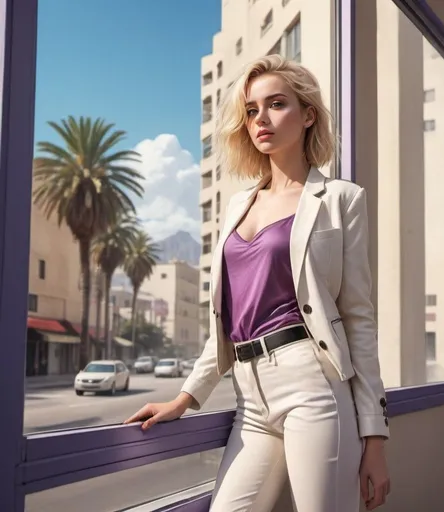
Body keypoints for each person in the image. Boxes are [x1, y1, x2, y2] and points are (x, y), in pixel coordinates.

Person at [124, 55, 391, 512]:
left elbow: (358, 319)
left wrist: (375, 437)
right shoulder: (236, 206)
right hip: (249, 395)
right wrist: (185, 399)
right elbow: (226, 322)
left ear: (308, 115)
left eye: (276, 104)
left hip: (313, 385)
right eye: (251, 110)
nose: (260, 119)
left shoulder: (341, 199)